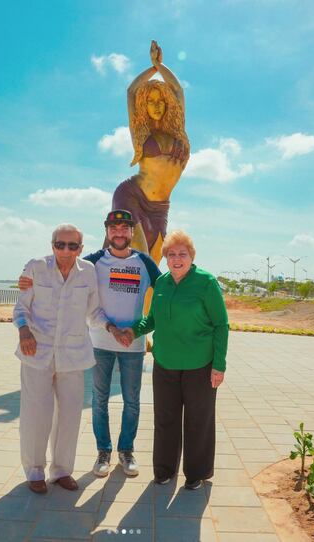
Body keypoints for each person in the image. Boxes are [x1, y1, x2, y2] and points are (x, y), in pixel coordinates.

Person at [19, 210, 162, 478]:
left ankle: (126, 451)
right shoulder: (93, 261)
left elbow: (166, 291)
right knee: (99, 400)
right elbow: (63, 270)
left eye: (124, 228)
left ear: (132, 232)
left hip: (133, 345)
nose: (119, 232)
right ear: (107, 231)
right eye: (113, 228)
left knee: (132, 401)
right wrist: (27, 280)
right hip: (99, 343)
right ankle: (103, 452)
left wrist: (144, 328)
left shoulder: (144, 262)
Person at [14, 224, 121, 494]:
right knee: (36, 414)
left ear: (80, 249)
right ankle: (35, 471)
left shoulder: (89, 271)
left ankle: (62, 471)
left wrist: (111, 328)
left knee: (70, 416)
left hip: (73, 355)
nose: (66, 250)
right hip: (36, 352)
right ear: (52, 245)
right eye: (60, 244)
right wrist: (24, 331)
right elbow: (20, 307)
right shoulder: (36, 267)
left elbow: (94, 311)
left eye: (72, 246)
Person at [127, 230, 228, 489]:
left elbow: (221, 325)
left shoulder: (206, 283)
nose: (176, 259)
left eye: (182, 254)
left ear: (191, 257)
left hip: (200, 366)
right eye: (171, 254)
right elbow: (152, 320)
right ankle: (164, 470)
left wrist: (219, 365)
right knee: (165, 419)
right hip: (165, 364)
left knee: (198, 421)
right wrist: (134, 330)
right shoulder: (161, 283)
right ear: (166, 258)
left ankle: (196, 474)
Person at [110, 40, 189, 272]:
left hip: (161, 207)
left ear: (168, 105)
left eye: (160, 101)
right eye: (150, 101)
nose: (156, 106)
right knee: (139, 259)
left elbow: (178, 90)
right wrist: (153, 68)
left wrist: (162, 66)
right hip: (132, 196)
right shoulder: (141, 134)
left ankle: (144, 310)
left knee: (152, 268)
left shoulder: (178, 133)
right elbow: (132, 91)